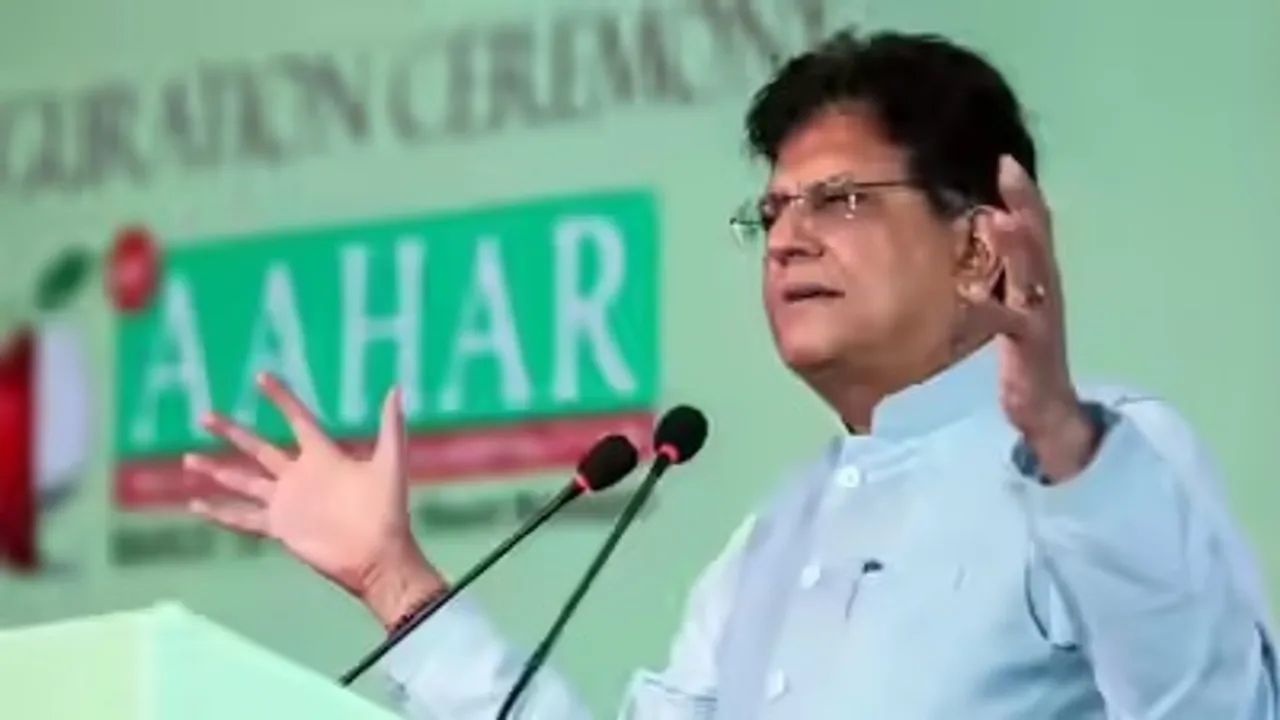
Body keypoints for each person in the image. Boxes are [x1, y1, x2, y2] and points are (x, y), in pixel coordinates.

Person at [187, 29, 1278, 719]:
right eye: (772, 212)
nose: (787, 240)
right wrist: (395, 580)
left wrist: (1063, 445)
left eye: (841, 201)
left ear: (975, 246)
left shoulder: (1108, 457)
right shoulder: (774, 544)